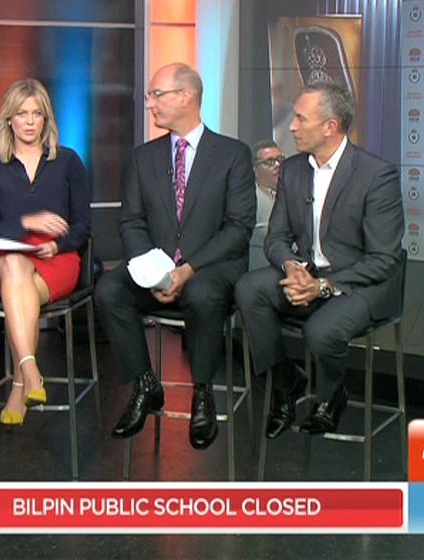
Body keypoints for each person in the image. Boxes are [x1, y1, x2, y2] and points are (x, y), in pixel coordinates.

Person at [95, 62, 255, 450]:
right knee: (109, 290)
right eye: (149, 96)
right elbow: (131, 221)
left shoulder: (232, 154)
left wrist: (188, 270)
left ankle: (202, 392)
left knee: (202, 294)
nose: (149, 104)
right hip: (157, 269)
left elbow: (238, 228)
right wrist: (154, 272)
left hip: (210, 269)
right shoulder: (144, 157)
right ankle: (145, 384)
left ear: (186, 96)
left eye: (156, 95)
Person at [234, 80, 404, 439]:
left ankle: (331, 395)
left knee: (320, 331)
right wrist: (292, 267)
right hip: (309, 271)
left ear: (330, 126)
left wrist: (323, 286)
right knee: (249, 288)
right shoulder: (293, 169)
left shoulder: (376, 175)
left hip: (361, 283)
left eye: (301, 119)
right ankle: (285, 382)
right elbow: (276, 237)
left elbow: (383, 258)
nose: (292, 127)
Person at [0, 78, 91, 426]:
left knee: (19, 287)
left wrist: (58, 244)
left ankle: (20, 382)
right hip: (3, 257)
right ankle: (30, 372)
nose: (29, 121)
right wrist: (27, 221)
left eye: (36, 114)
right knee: (14, 266)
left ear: (46, 119)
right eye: (21, 114)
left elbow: (82, 225)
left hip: (55, 258)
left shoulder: (68, 162)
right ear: (8, 119)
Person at [249, 139, 283, 270]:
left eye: (280, 160)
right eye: (269, 162)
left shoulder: (294, 194)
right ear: (255, 170)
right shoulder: (250, 200)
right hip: (261, 271)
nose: (277, 165)